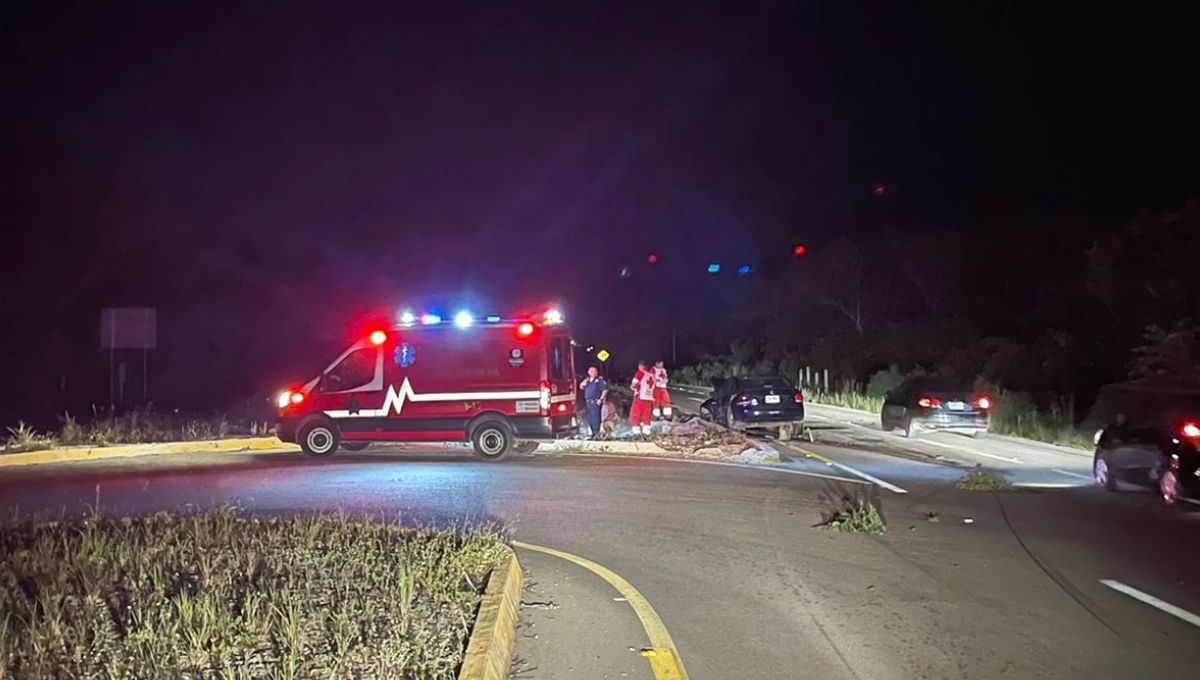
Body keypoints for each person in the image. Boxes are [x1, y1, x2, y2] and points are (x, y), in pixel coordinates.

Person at [579, 366, 608, 439]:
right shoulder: (588, 380)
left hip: (596, 401)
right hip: (588, 401)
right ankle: (593, 433)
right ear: (588, 372)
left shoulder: (599, 380)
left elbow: (604, 390)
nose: (593, 373)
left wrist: (601, 399)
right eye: (591, 371)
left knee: (596, 418)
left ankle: (596, 433)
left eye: (595, 371)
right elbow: (581, 386)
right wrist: (586, 380)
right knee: (590, 418)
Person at [629, 360, 656, 436]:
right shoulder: (651, 375)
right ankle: (646, 432)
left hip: (640, 397)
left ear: (641, 366)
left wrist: (633, 387)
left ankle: (636, 432)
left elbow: (633, 385)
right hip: (649, 397)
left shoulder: (640, 373)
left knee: (634, 414)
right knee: (646, 415)